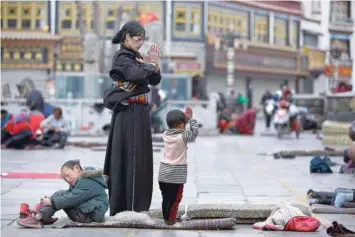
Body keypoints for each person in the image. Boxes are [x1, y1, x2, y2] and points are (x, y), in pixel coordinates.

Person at [103, 21, 162, 215]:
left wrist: (155, 64)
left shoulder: (136, 57)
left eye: (142, 41)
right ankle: (126, 205)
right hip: (129, 113)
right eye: (138, 40)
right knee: (128, 157)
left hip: (140, 113)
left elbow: (153, 79)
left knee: (141, 158)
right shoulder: (122, 57)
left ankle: (137, 204)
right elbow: (136, 75)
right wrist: (149, 64)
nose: (140, 44)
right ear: (126, 37)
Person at [17, 160, 109, 228]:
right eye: (65, 179)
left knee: (62, 197)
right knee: (60, 193)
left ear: (76, 168)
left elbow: (72, 199)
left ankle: (39, 218)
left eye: (68, 175)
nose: (67, 180)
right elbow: (69, 194)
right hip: (87, 212)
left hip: (90, 215)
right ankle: (42, 215)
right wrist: (51, 199)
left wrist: (51, 202)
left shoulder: (88, 181)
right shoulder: (81, 181)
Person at [158, 107, 199, 225]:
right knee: (176, 199)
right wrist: (191, 119)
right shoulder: (183, 136)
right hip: (176, 174)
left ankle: (166, 217)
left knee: (166, 198)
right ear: (181, 125)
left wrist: (183, 120)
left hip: (163, 173)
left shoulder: (165, 134)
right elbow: (194, 133)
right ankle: (170, 220)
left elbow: (174, 126)